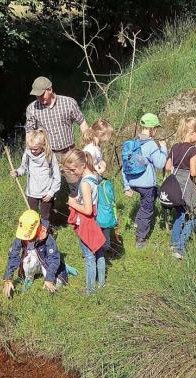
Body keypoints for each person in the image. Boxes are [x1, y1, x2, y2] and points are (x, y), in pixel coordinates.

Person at [25, 76, 89, 197]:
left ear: (50, 89)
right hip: (47, 154)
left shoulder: (68, 103)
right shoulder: (32, 108)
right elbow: (29, 132)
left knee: (75, 184)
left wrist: (88, 146)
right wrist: (30, 154)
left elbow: (82, 123)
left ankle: (78, 205)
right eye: (36, 95)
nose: (39, 98)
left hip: (68, 152)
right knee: (47, 189)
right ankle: (52, 208)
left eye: (41, 94)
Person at [2, 210, 75, 297]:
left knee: (57, 285)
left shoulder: (47, 237)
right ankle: (29, 277)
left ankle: (63, 267)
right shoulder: (21, 236)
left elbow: (53, 258)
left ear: (38, 228)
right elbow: (13, 256)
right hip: (32, 260)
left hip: (46, 261)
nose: (27, 238)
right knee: (27, 261)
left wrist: (49, 279)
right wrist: (8, 278)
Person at [122, 113, 168, 249]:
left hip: (133, 182)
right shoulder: (151, 144)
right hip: (146, 184)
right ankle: (140, 239)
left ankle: (138, 222)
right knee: (147, 209)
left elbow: (125, 166)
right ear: (152, 129)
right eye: (156, 128)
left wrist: (126, 186)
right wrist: (163, 148)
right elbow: (160, 164)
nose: (156, 131)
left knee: (150, 198)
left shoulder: (133, 143)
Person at [64, 149, 106, 295]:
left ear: (83, 165)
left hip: (87, 222)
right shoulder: (94, 176)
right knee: (99, 252)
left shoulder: (85, 183)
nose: (72, 173)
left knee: (89, 256)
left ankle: (90, 290)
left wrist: (73, 203)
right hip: (96, 220)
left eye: (73, 169)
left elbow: (87, 210)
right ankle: (101, 284)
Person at [165, 117, 196, 259]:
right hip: (186, 186)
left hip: (174, 186)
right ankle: (180, 247)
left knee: (180, 214)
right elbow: (193, 172)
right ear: (192, 132)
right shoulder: (192, 150)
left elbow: (167, 167)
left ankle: (173, 244)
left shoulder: (175, 147)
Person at [11, 129, 61, 227]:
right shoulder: (28, 154)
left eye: (35, 149)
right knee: (32, 216)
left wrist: (51, 193)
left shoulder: (49, 156)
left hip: (46, 193)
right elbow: (23, 168)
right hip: (32, 193)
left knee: (45, 217)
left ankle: (46, 233)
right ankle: (34, 234)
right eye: (31, 148)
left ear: (42, 145)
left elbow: (57, 178)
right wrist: (17, 172)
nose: (33, 151)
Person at [82, 119, 116, 253]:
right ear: (101, 134)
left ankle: (103, 243)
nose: (108, 139)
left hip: (96, 182)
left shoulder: (95, 147)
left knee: (100, 211)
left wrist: (100, 165)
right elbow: (87, 167)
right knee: (96, 211)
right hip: (91, 185)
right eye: (107, 136)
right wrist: (99, 170)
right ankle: (97, 243)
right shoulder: (90, 149)